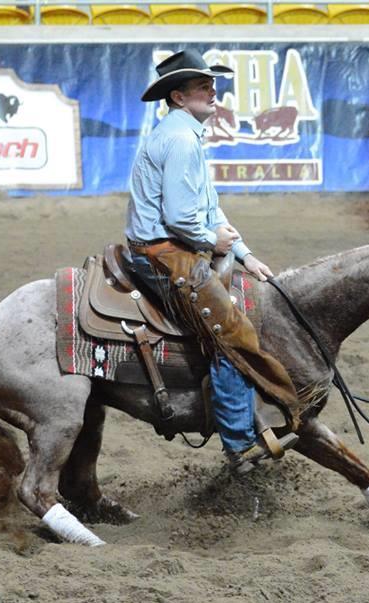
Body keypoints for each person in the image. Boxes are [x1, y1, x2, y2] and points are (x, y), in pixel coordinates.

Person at [124, 49, 301, 472]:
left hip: (172, 245)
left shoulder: (184, 135)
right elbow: (181, 219)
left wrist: (243, 253)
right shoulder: (182, 140)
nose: (213, 92)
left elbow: (209, 208)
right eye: (203, 86)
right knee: (231, 333)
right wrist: (212, 240)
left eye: (212, 85)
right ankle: (239, 444)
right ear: (179, 97)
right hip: (162, 252)